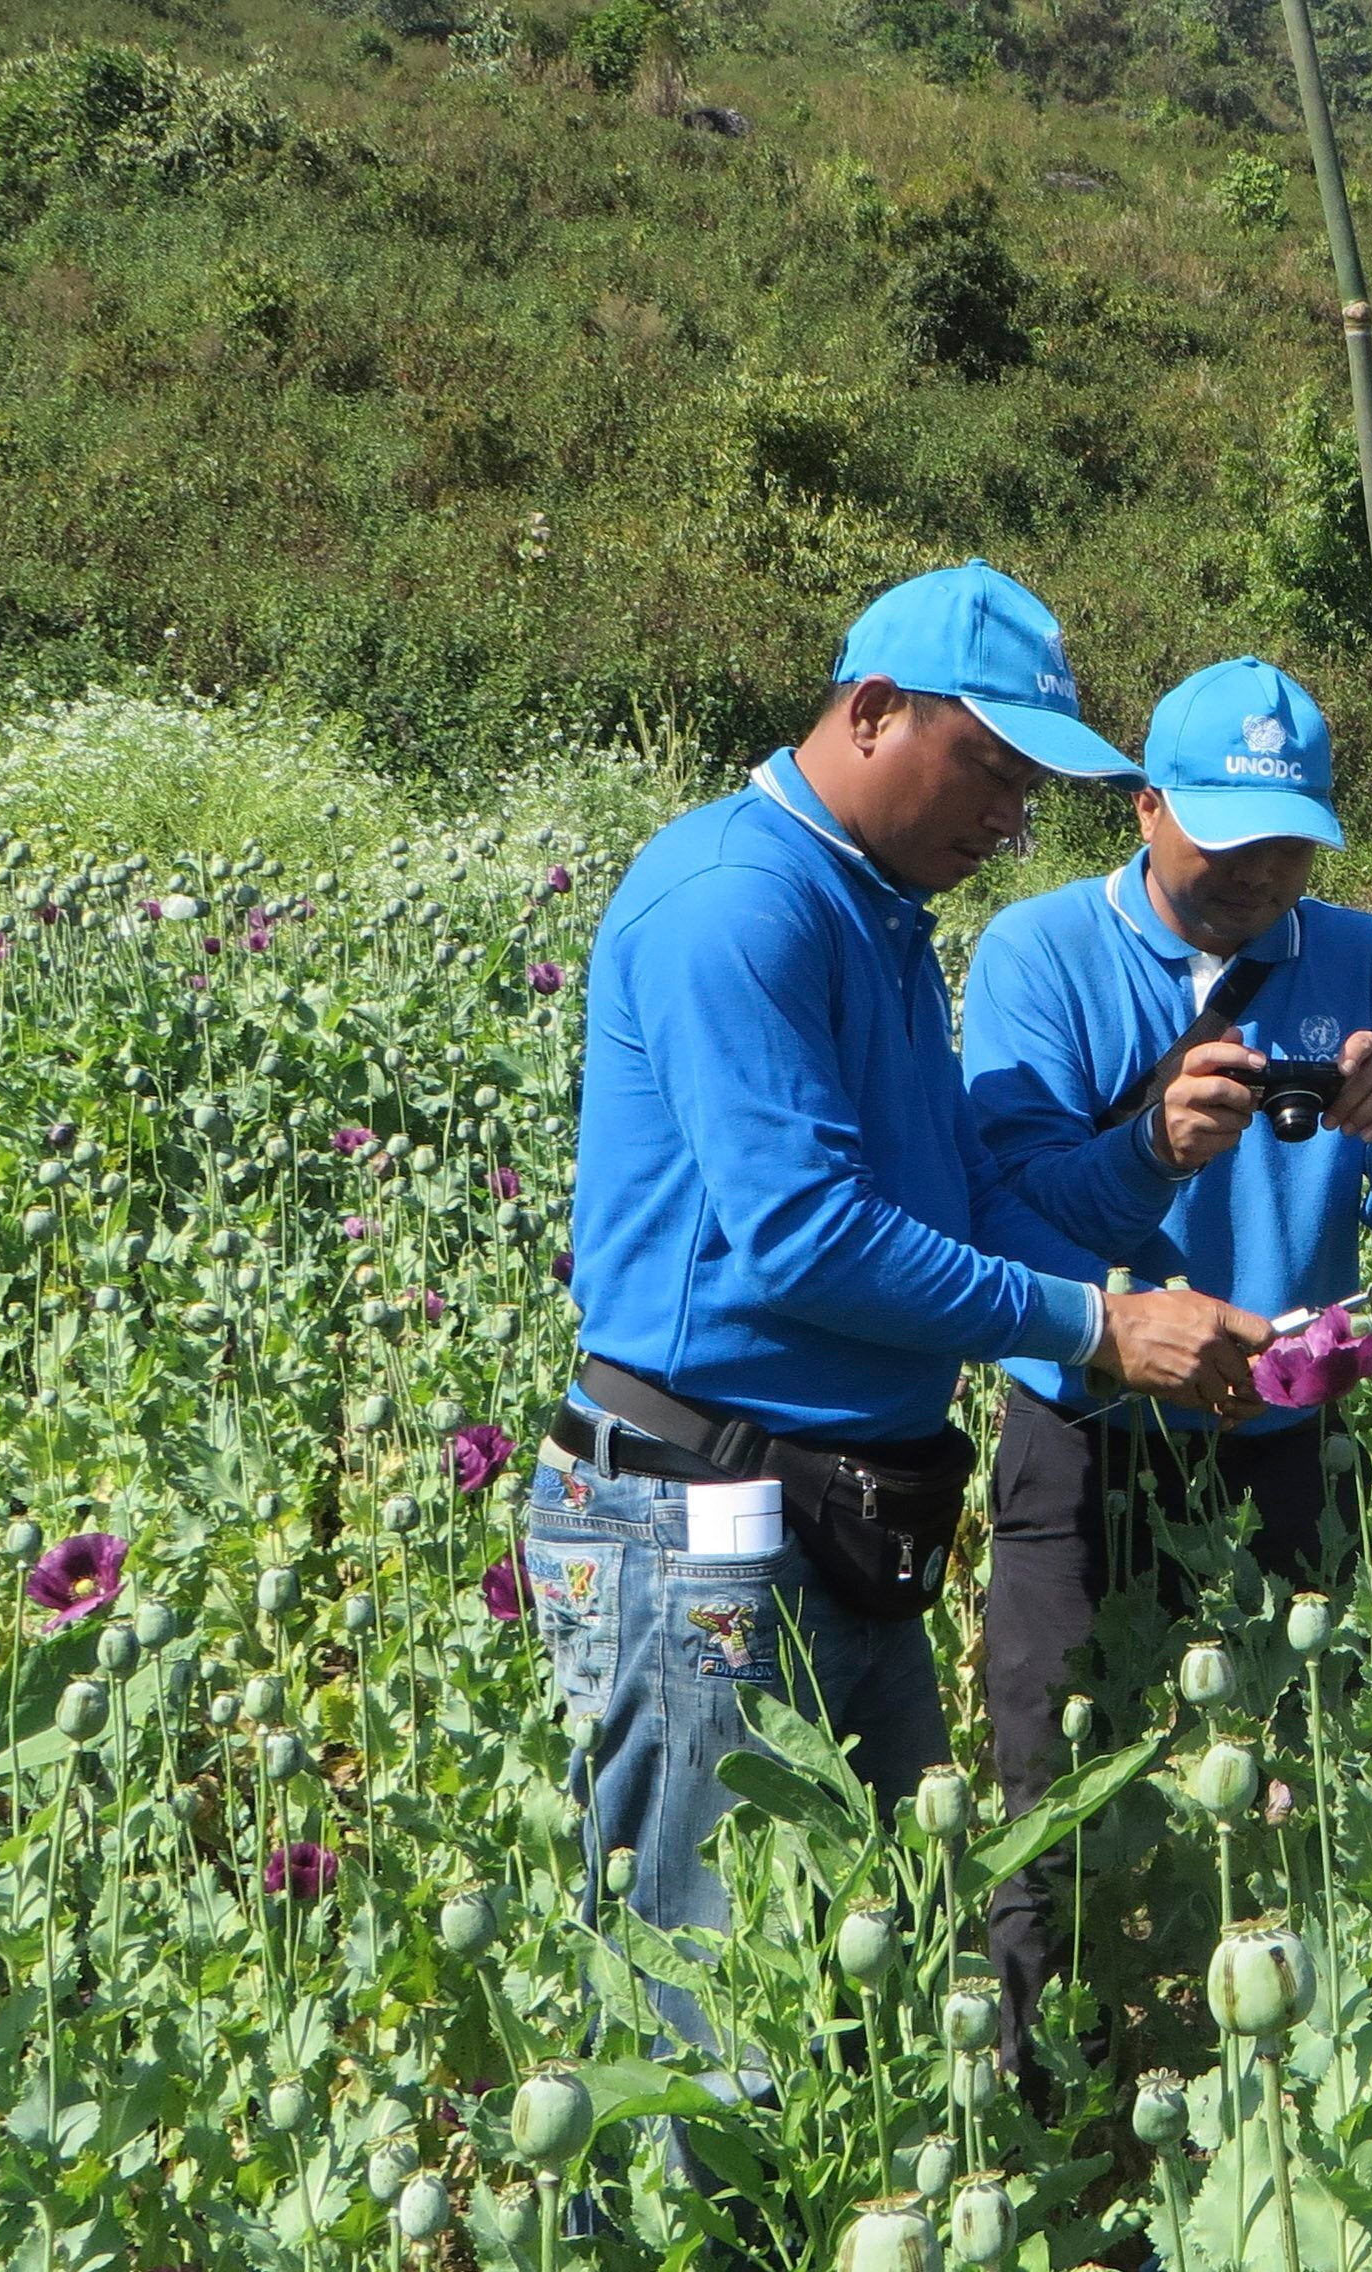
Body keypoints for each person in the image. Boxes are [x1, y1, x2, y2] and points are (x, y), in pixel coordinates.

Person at [518, 563, 1269, 2053]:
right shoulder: (738, 903)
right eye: (987, 769)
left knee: (881, 1977)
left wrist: (1138, 1183)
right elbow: (803, 1239)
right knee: (705, 2014)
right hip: (694, 1529)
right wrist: (1097, 1333)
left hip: (838, 1525)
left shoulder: (873, 917)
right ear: (871, 711)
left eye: (1030, 788)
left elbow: (957, 1211)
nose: (1008, 820)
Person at [960, 654, 1372, 2089]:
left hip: (1288, 1444)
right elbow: (1011, 1224)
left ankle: (1285, 2098)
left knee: (1298, 1775)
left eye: (1288, 834)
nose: (1259, 866)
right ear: (1140, 806)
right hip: (1088, 1436)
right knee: (1045, 1797)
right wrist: (1150, 1151)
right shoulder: (1037, 954)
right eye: (1226, 830)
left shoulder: (1363, 960)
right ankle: (1045, 2104)